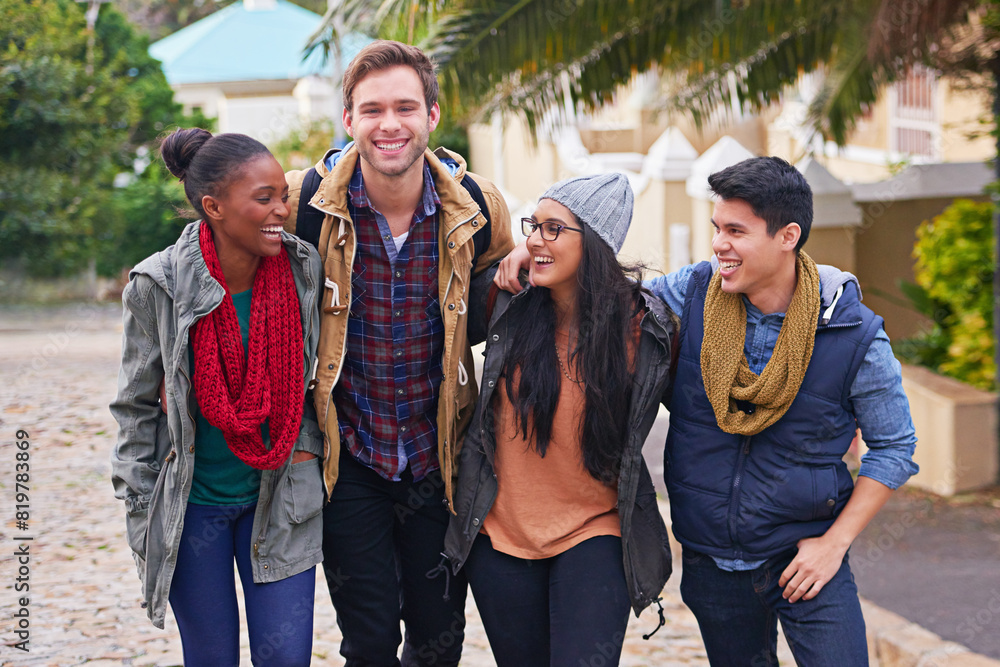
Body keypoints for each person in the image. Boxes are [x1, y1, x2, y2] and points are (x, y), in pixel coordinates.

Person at [496, 156, 918, 666]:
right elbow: (609, 299)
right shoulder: (690, 296)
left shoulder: (849, 333)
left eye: (736, 231)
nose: (719, 243)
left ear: (788, 235)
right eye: (718, 228)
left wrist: (834, 544)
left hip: (807, 557)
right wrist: (539, 250)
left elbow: (894, 447)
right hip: (712, 562)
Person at [281, 40, 514, 666]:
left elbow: (507, 312)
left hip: (439, 453)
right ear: (350, 121)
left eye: (405, 107)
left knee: (440, 640)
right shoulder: (306, 204)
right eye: (372, 109)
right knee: (370, 639)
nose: (390, 124)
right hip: (347, 452)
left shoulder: (480, 209)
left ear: (432, 116)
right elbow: (229, 263)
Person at [110, 128, 325, 666]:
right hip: (191, 507)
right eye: (264, 199)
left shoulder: (303, 270)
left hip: (279, 500)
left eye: (283, 196)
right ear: (214, 207)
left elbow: (322, 376)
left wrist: (307, 449)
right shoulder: (158, 284)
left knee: (287, 658)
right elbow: (135, 407)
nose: (281, 210)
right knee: (211, 659)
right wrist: (141, 505)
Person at [443, 173, 676, 666]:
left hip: (595, 531)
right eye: (534, 226)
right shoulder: (506, 300)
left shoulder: (644, 328)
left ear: (593, 242)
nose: (534, 240)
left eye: (553, 229)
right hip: (500, 536)